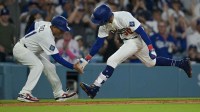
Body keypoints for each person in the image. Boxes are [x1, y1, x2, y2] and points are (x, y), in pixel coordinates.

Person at [78, 4, 192, 99]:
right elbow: (98, 43)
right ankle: (181, 63)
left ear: (104, 18)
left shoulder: (123, 16)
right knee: (150, 63)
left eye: (99, 20)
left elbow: (141, 31)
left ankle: (94, 88)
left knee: (112, 60)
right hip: (128, 41)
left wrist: (151, 48)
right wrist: (86, 59)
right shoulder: (105, 25)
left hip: (137, 40)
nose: (98, 22)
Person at [13, 15, 83, 102]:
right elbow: (57, 58)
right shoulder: (47, 36)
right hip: (21, 50)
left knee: (50, 67)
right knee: (38, 66)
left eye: (63, 30)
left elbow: (34, 24)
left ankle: (59, 93)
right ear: (53, 27)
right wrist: (73, 66)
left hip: (30, 50)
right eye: (60, 30)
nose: (62, 32)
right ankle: (24, 93)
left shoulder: (47, 24)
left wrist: (27, 38)